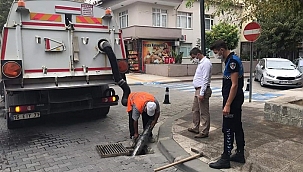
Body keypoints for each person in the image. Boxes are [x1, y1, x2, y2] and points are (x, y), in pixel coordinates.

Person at [209, 40, 245, 169]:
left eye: (216, 52)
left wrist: (228, 104)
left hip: (233, 101)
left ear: (222, 50)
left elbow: (234, 85)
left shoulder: (232, 62)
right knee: (237, 125)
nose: (216, 55)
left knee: (228, 127)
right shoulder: (231, 59)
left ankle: (225, 158)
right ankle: (240, 154)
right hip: (235, 99)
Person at [187, 47, 212, 138]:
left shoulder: (206, 63)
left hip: (202, 90)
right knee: (195, 109)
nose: (194, 59)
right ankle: (195, 127)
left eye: (194, 57)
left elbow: (205, 79)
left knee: (204, 111)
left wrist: (202, 93)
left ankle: (205, 131)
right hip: (198, 89)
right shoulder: (201, 63)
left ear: (198, 54)